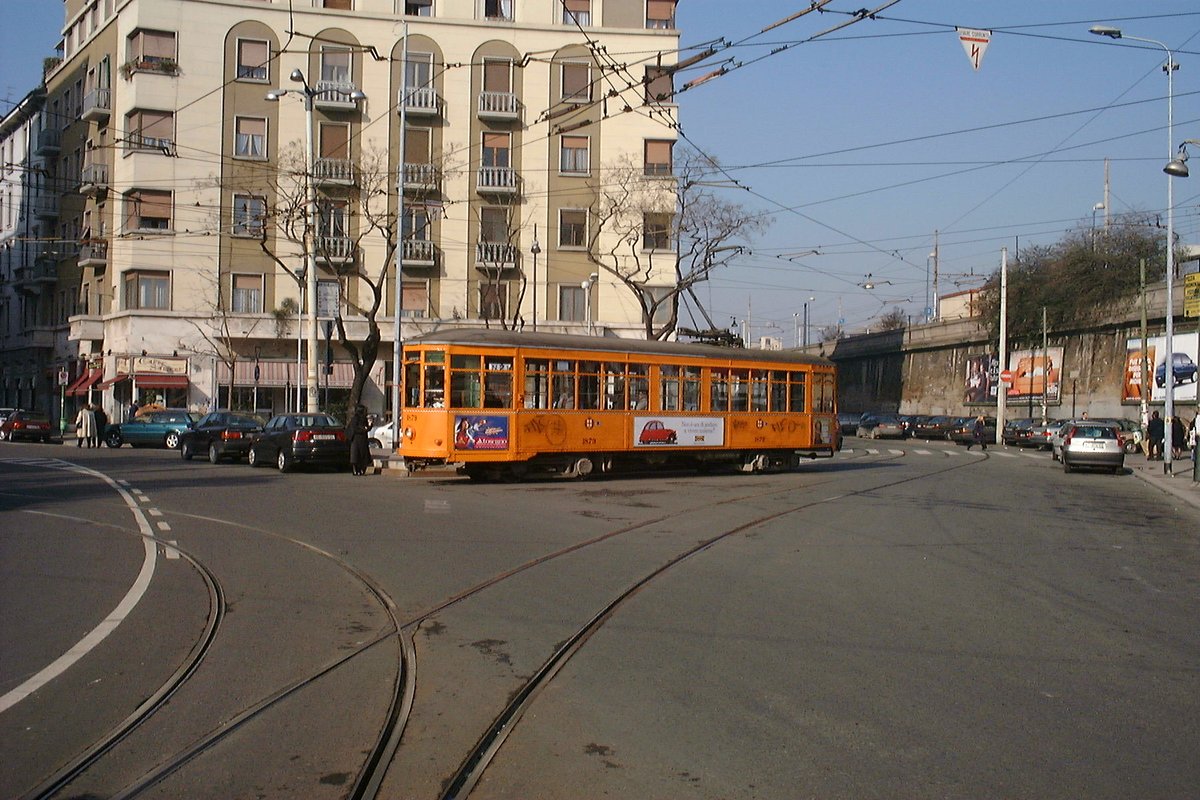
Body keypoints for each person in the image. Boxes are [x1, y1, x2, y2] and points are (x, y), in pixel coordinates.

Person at [347, 404, 371, 476]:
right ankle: (356, 470)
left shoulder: (364, 418)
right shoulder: (355, 418)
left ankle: (361, 470)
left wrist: (370, 426)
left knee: (362, 455)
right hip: (356, 439)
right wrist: (364, 430)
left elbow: (366, 428)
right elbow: (355, 429)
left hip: (362, 439)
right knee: (356, 455)